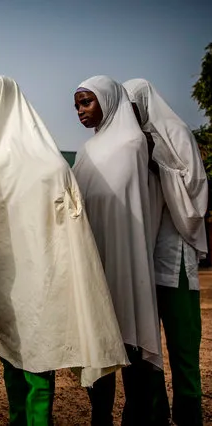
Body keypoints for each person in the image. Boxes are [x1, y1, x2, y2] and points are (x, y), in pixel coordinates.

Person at [0, 75, 127, 426]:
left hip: (41, 279)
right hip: (6, 278)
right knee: (12, 353)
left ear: (2, 102)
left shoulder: (47, 164)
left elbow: (67, 234)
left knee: (39, 356)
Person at [72, 76, 163, 425]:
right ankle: (100, 416)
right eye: (77, 105)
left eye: (86, 102)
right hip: (95, 257)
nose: (80, 110)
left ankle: (136, 415)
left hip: (127, 256)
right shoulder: (84, 152)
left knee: (130, 340)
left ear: (109, 101)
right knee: (98, 343)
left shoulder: (134, 143)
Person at [124, 78, 207, 426]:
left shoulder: (177, 132)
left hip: (175, 261)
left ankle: (189, 414)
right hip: (141, 260)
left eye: (131, 107)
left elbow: (195, 189)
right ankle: (153, 414)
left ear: (144, 102)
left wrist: (155, 157)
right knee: (146, 348)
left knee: (184, 346)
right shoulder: (128, 143)